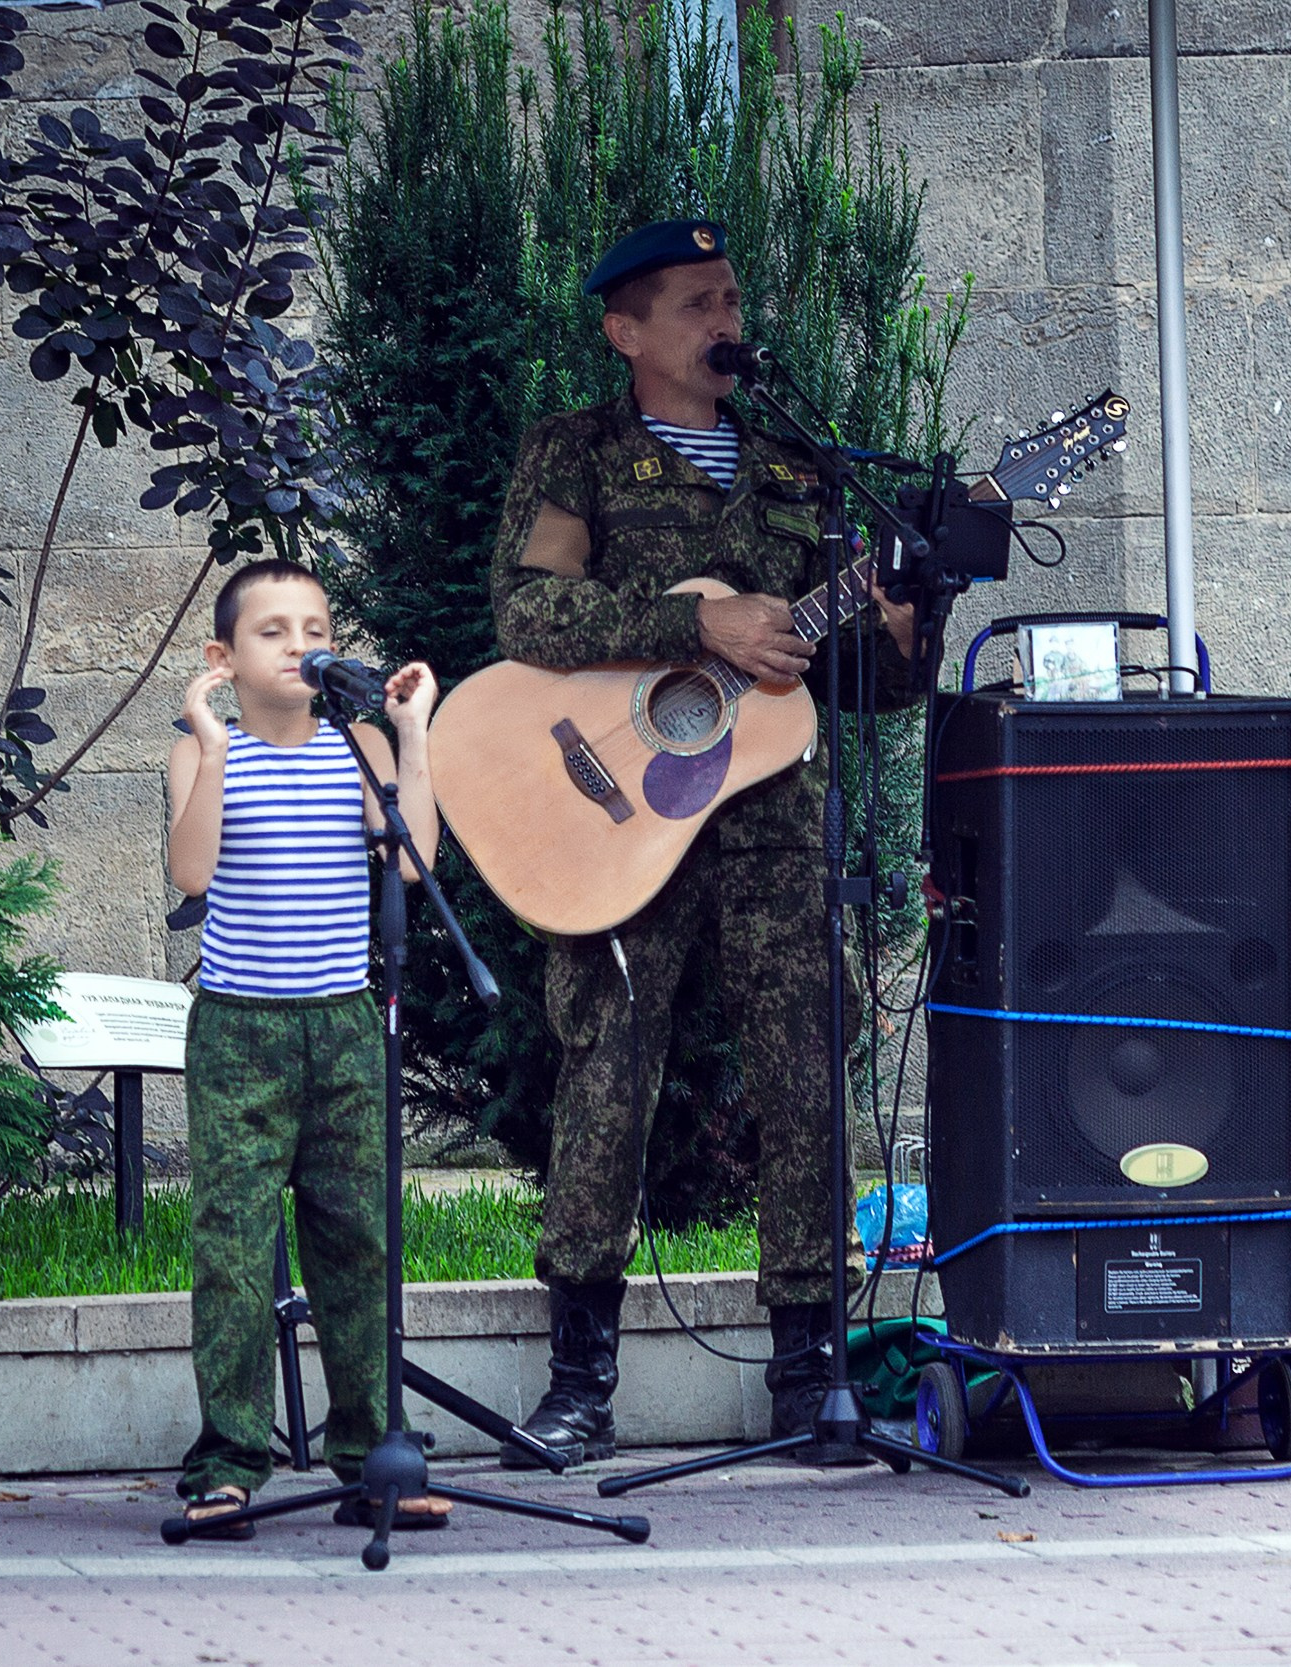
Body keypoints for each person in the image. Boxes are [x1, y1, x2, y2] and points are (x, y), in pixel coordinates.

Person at [486, 219, 921, 1470]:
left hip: (768, 817)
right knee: (607, 1071)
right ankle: (579, 1380)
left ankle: (810, 1376)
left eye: (731, 293)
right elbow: (528, 609)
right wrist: (696, 622)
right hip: (613, 809)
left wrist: (895, 621)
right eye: (694, 301)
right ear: (627, 332)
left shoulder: (797, 464)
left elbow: (848, 677)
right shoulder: (579, 451)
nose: (725, 315)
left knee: (806, 1077)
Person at [164, 558, 442, 1536]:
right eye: (272, 630)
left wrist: (411, 735)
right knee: (233, 1248)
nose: (298, 645)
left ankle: (372, 1454)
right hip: (240, 1028)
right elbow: (191, 871)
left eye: (313, 628)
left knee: (357, 1243)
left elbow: (413, 858)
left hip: (344, 1021)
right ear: (223, 657)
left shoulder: (359, 744)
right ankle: (229, 1461)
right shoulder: (207, 751)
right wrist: (208, 740)